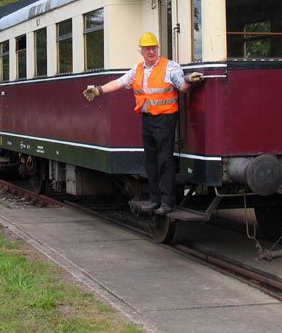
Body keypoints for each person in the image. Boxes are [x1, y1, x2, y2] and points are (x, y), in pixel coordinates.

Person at [83, 32, 203, 216]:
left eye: (154, 47)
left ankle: (167, 202)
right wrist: (98, 90)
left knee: (165, 160)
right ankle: (155, 199)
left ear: (158, 48)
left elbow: (182, 86)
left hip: (165, 119)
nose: (151, 51)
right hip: (147, 118)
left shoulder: (170, 67)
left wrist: (190, 80)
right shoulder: (138, 69)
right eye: (147, 48)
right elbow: (120, 82)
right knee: (151, 160)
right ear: (141, 51)